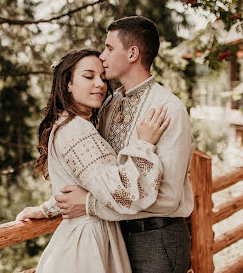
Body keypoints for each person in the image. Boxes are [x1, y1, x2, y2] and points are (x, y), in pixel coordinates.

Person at [55, 16, 194, 273]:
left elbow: (169, 198)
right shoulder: (110, 106)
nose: (102, 55)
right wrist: (51, 207)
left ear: (132, 53)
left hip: (156, 240)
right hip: (116, 240)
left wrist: (91, 206)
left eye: (109, 48)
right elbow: (98, 176)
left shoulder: (168, 109)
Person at [16, 48, 170, 273]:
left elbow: (85, 184)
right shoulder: (76, 129)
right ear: (68, 83)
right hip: (88, 246)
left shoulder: (72, 125)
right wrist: (144, 144)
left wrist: (49, 208)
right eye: (88, 76)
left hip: (91, 239)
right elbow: (127, 192)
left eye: (102, 77)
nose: (99, 84)